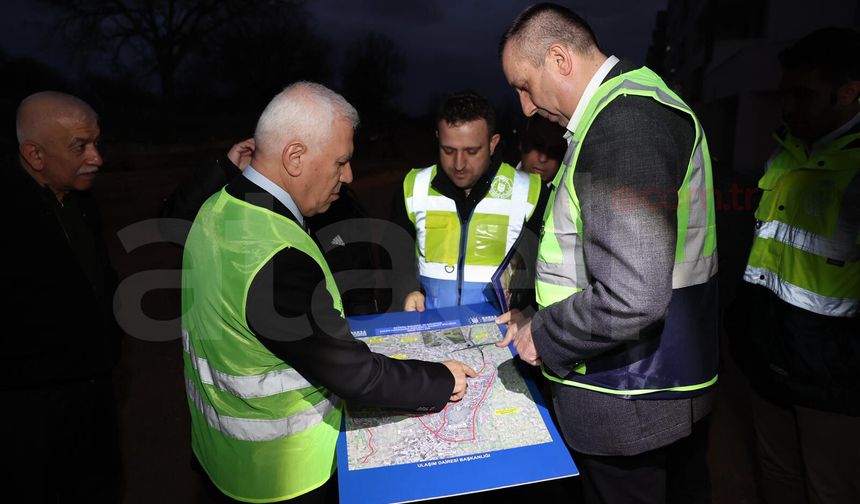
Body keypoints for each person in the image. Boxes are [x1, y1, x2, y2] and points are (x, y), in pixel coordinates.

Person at [181, 81, 476, 504]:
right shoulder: (276, 255)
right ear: (295, 157)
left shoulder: (217, 207)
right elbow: (356, 375)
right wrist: (440, 378)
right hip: (283, 477)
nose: (350, 175)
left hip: (220, 459)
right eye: (341, 162)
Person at [497, 4, 719, 503]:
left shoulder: (624, 124)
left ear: (559, 58)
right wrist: (535, 308)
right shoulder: (623, 110)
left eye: (524, 85)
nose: (526, 107)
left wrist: (543, 333)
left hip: (632, 396)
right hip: (652, 387)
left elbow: (632, 296)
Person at [729, 27, 860, 504]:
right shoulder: (784, 154)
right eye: (786, 93)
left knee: (831, 489)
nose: (788, 106)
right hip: (769, 358)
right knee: (777, 478)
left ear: (848, 93)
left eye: (804, 95)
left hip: (834, 382)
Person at [3, 91, 121, 501]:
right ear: (35, 155)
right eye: (80, 147)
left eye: (96, 143)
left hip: (93, 398)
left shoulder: (81, 201)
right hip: (31, 416)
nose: (97, 157)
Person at [160, 138, 380, 315]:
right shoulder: (249, 201)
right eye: (340, 163)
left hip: (323, 341)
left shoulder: (341, 206)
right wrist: (226, 169)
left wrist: (360, 335)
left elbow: (358, 282)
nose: (348, 176)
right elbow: (174, 227)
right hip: (259, 348)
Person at [392, 89, 545, 312]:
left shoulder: (530, 191)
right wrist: (407, 290)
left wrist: (525, 312)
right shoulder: (413, 187)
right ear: (438, 139)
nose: (459, 164)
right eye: (448, 150)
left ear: (493, 143)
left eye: (472, 151)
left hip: (500, 336)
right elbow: (395, 256)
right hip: (432, 330)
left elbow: (546, 272)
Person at [518, 114, 567, 185]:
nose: (542, 159)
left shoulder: (564, 194)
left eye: (554, 151)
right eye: (538, 145)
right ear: (522, 142)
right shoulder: (497, 173)